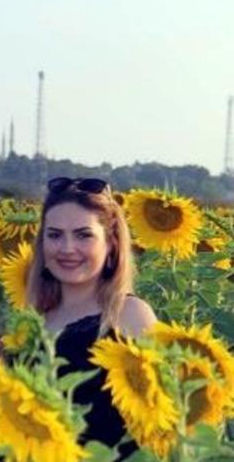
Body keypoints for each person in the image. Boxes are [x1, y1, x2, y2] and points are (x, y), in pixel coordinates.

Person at [25, 176, 157, 459]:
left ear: (110, 244)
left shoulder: (129, 316)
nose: (67, 248)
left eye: (84, 235)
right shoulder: (30, 320)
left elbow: (160, 421)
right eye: (55, 234)